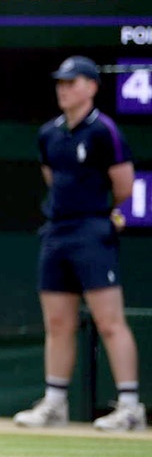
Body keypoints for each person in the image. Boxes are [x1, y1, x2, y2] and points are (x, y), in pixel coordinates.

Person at [15, 56, 146, 433]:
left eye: (72, 82)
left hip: (93, 232)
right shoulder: (49, 133)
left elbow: (122, 186)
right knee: (57, 322)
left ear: (91, 87)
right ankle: (55, 404)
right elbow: (52, 179)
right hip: (57, 232)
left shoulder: (105, 131)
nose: (64, 89)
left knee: (109, 321)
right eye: (60, 82)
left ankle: (130, 406)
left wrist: (100, 215)